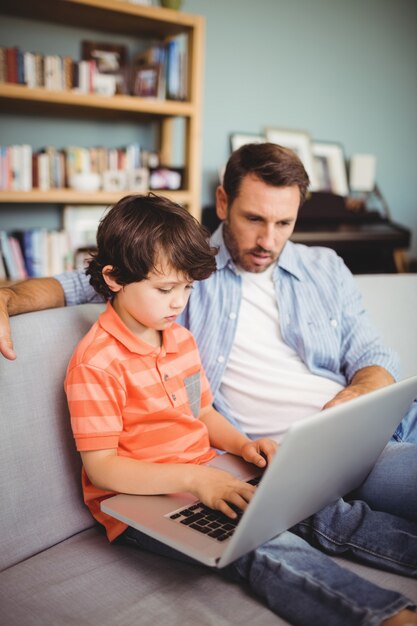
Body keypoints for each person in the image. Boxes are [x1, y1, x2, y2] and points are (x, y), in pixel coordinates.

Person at [64, 193, 417, 626]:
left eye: (188, 287)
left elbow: (204, 415)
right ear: (114, 278)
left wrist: (244, 446)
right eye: (165, 289)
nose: (180, 302)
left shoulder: (177, 338)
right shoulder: (96, 363)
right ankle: (385, 616)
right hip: (138, 501)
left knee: (328, 510)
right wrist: (197, 479)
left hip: (212, 471)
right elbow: (101, 469)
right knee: (265, 547)